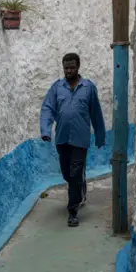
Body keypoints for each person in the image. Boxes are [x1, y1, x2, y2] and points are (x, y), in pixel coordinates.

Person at [40, 53, 106, 227]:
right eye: (66, 68)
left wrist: (100, 136)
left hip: (80, 139)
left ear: (78, 67)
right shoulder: (57, 88)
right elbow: (47, 108)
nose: (68, 70)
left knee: (75, 173)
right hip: (62, 139)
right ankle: (80, 187)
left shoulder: (88, 88)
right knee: (67, 174)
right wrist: (46, 130)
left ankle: (73, 211)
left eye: (72, 67)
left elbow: (96, 113)